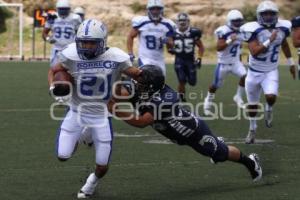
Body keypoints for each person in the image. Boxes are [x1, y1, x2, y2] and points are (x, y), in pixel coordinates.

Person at [108, 65, 262, 183]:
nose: (136, 83)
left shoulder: (164, 99)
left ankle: (251, 162)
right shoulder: (142, 89)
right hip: (176, 135)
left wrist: (114, 109)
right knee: (210, 151)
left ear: (151, 85)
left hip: (193, 132)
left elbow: (141, 122)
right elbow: (118, 92)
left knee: (220, 154)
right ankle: (217, 142)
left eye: (140, 82)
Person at [48, 19, 141, 198]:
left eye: (92, 43)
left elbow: (135, 73)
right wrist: (54, 88)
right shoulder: (70, 54)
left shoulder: (116, 56)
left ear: (103, 42)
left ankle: (91, 183)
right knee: (62, 156)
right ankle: (84, 137)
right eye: (84, 42)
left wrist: (149, 78)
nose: (87, 47)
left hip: (101, 116)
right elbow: (54, 70)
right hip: (76, 111)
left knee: (102, 164)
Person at [240, 0, 296, 144]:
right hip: (253, 72)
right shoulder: (252, 29)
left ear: (276, 15)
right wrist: (269, 41)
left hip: (271, 70)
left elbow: (283, 43)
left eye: (272, 14)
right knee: (252, 106)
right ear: (260, 15)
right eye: (265, 14)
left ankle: (269, 109)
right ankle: (252, 129)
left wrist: (290, 62)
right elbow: (254, 52)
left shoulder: (283, 28)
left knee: (271, 97)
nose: (269, 17)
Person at [203, 9, 246, 115]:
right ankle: (208, 101)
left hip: (235, 63)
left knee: (246, 76)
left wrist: (240, 61)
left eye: (239, 21)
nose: (237, 23)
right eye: (235, 21)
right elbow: (219, 47)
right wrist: (230, 40)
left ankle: (238, 97)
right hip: (223, 64)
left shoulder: (241, 32)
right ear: (229, 21)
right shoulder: (223, 31)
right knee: (215, 85)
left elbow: (239, 48)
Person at [127, 0, 175, 76]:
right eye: (153, 9)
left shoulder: (168, 24)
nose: (155, 11)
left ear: (162, 10)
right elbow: (130, 36)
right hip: (145, 58)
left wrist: (169, 43)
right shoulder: (141, 22)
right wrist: (130, 53)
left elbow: (170, 48)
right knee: (146, 80)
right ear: (148, 10)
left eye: (158, 9)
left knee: (160, 83)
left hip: (159, 59)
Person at [169, 12, 204, 102]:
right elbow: (170, 47)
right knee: (181, 80)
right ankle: (181, 97)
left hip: (190, 60)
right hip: (179, 60)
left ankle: (184, 86)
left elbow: (201, 47)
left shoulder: (193, 32)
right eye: (180, 20)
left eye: (184, 20)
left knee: (192, 82)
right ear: (177, 22)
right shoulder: (173, 33)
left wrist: (199, 58)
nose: (182, 22)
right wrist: (171, 49)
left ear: (188, 21)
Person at [42, 0, 82, 68]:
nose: (63, 11)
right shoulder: (53, 16)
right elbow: (44, 33)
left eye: (65, 9)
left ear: (69, 9)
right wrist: (48, 39)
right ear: (57, 9)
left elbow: (80, 34)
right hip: (57, 50)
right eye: (61, 9)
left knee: (73, 72)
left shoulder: (75, 18)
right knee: (54, 70)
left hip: (71, 50)